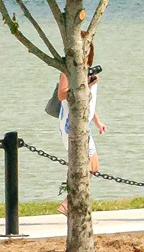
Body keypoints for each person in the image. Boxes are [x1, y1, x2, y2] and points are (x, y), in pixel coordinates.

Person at [55, 34, 105, 204]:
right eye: (81, 47)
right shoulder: (69, 69)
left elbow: (88, 100)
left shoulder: (87, 68)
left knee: (92, 166)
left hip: (84, 121)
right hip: (72, 123)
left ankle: (72, 202)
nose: (85, 50)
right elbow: (62, 94)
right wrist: (86, 85)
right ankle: (70, 203)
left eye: (88, 46)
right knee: (87, 164)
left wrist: (97, 121)